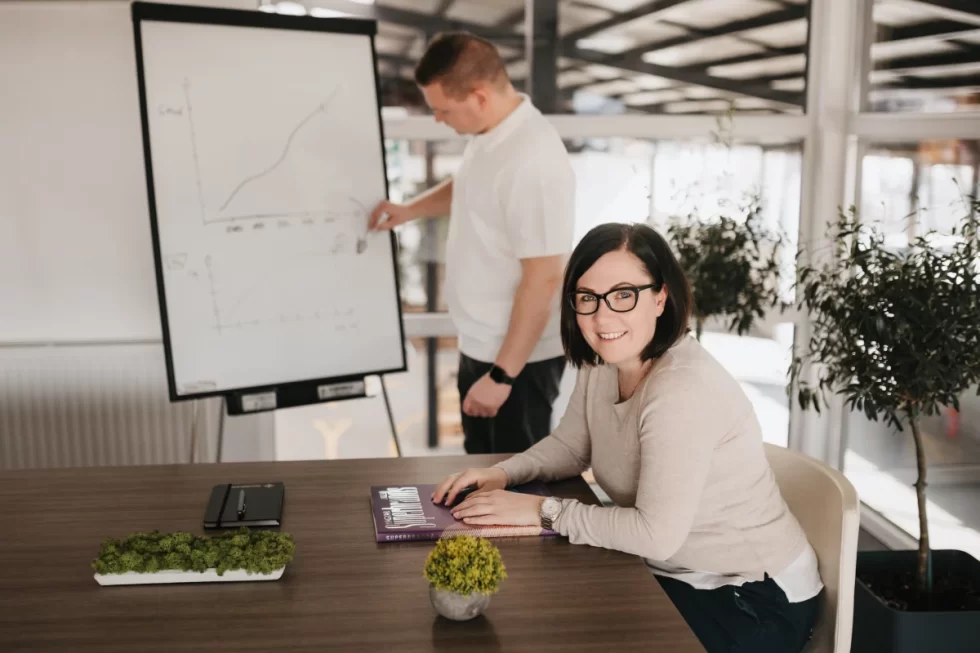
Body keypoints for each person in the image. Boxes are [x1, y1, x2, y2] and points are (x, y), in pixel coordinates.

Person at [432, 222, 824, 653]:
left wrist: (542, 511)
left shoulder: (682, 389)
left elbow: (655, 535)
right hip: (673, 571)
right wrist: (503, 475)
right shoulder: (604, 363)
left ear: (660, 297)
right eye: (588, 298)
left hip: (750, 596)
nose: (603, 317)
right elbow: (570, 446)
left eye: (623, 295)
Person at [368, 32, 575, 455]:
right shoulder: (491, 136)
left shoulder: (533, 160)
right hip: (482, 346)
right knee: (480, 476)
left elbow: (545, 279)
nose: (439, 120)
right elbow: (468, 186)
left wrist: (502, 377)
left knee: (515, 494)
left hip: (517, 363)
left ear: (479, 97)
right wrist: (410, 209)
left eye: (442, 110)